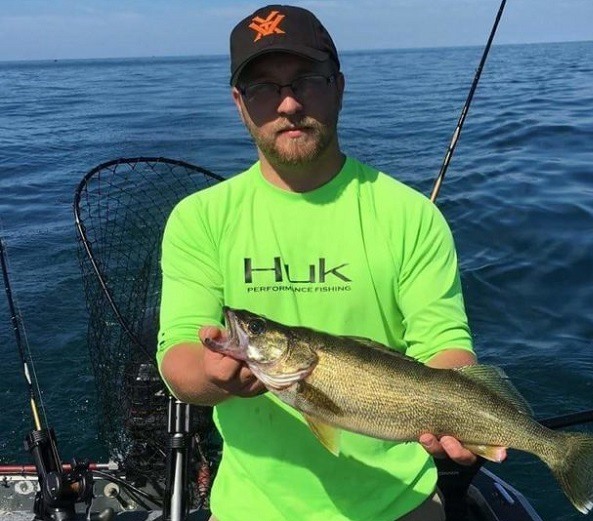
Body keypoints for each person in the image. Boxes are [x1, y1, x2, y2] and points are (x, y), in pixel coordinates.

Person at [156, 5, 505, 520]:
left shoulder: (412, 216)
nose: (289, 103)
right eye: (263, 89)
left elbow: (445, 345)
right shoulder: (199, 219)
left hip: (400, 502)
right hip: (250, 508)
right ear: (239, 104)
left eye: (306, 80)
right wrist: (214, 378)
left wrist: (463, 413)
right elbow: (179, 355)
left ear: (339, 85)